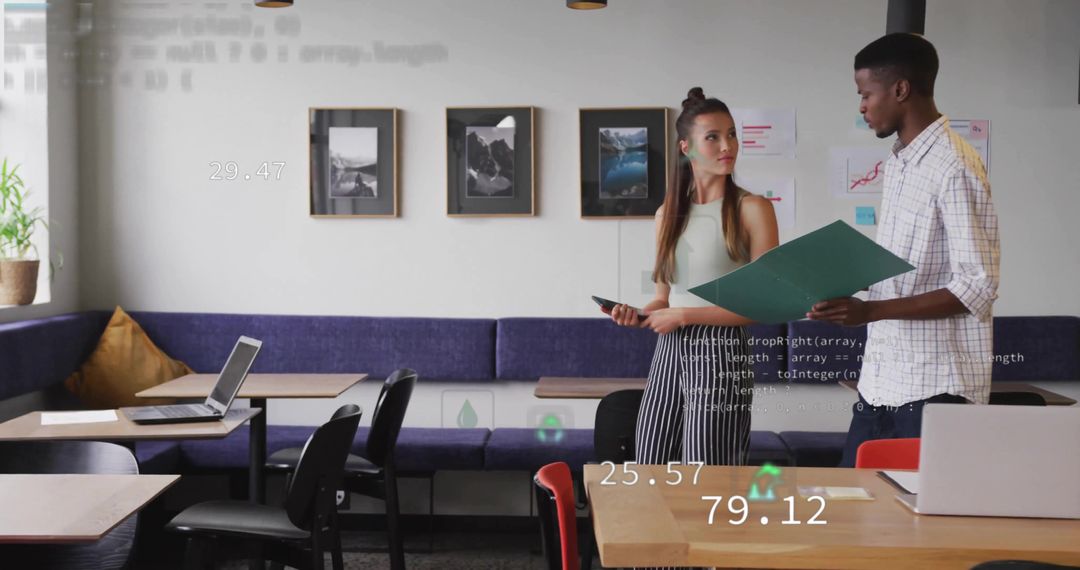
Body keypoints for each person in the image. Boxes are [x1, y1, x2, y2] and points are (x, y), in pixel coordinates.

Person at [807, 33, 1000, 467]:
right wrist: (839, 289)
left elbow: (977, 286)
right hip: (881, 381)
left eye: (865, 94)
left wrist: (870, 311)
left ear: (900, 89)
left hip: (936, 389)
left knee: (919, 512)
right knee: (854, 503)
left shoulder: (954, 166)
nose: (861, 106)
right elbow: (909, 269)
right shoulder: (900, 161)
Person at [604, 87, 779, 468]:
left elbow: (766, 304)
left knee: (707, 471)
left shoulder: (753, 208)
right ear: (687, 148)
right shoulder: (666, 214)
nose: (727, 145)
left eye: (731, 134)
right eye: (712, 137)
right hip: (668, 350)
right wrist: (640, 314)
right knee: (650, 462)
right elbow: (663, 297)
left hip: (722, 350)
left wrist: (684, 316)